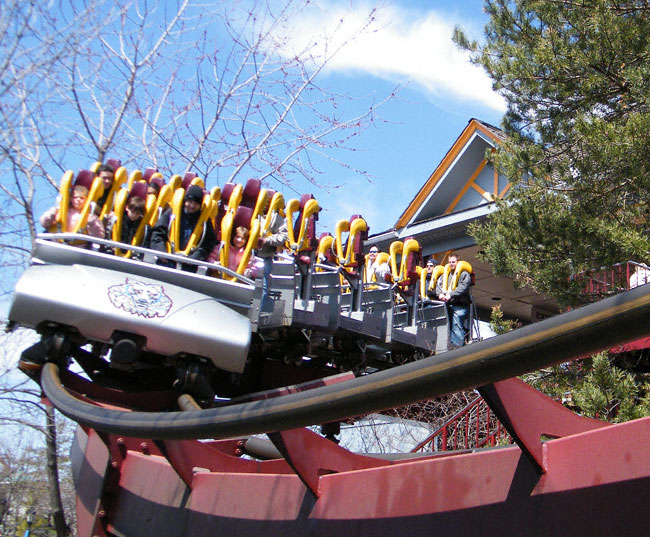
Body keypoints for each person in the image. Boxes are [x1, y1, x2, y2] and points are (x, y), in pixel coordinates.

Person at [149, 184, 216, 268]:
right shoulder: (172, 214)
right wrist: (162, 253)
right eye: (190, 202)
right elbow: (158, 233)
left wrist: (193, 259)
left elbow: (207, 245)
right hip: (166, 261)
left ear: (200, 205)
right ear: (185, 201)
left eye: (195, 203)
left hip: (189, 265)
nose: (192, 206)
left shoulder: (205, 222)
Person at [40, 184, 105, 239]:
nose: (78, 200)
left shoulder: (91, 216)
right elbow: (44, 223)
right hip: (58, 241)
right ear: (71, 199)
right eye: (75, 197)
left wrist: (92, 224)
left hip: (79, 246)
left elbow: (100, 236)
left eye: (81, 198)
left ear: (86, 200)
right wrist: (53, 213)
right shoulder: (61, 211)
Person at [436, 253, 472, 348]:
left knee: (457, 328)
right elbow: (438, 284)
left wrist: (451, 294)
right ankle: (448, 346)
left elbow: (463, 287)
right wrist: (439, 294)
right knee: (447, 327)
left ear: (458, 262)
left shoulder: (464, 274)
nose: (451, 264)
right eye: (450, 262)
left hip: (459, 305)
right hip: (448, 305)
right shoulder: (446, 275)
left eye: (453, 262)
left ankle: (457, 348)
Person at [256, 210, 288, 312]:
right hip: (246, 255)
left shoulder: (275, 218)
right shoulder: (252, 211)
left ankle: (257, 315)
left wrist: (267, 240)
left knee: (263, 286)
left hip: (264, 258)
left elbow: (283, 236)